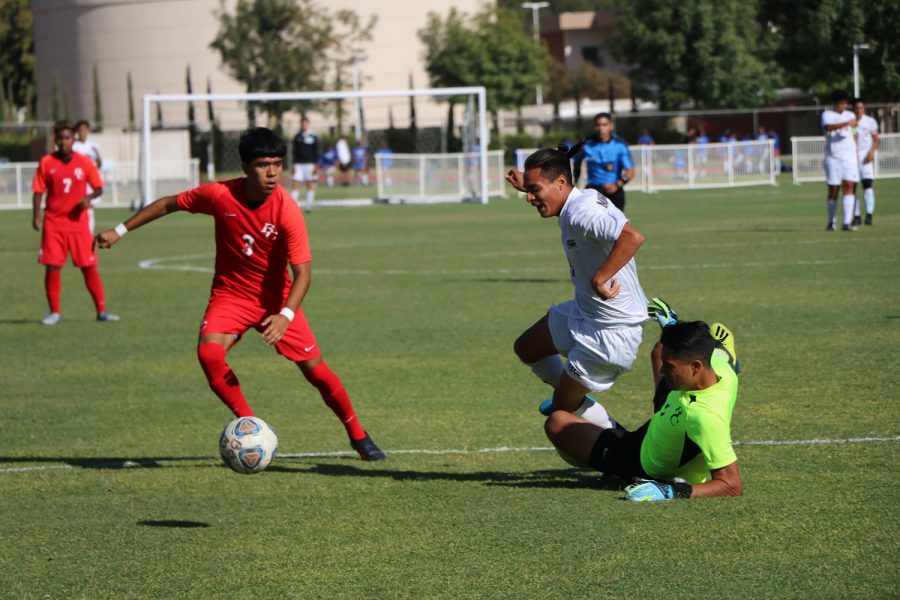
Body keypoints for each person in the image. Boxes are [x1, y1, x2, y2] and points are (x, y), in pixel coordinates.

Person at [95, 127, 385, 461]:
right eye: (263, 164)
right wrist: (119, 230)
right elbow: (168, 204)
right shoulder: (219, 195)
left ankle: (358, 435)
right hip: (230, 297)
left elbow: (303, 273)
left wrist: (285, 315)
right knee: (208, 355)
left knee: (316, 371)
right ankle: (251, 426)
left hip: (276, 302)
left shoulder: (287, 210)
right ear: (246, 166)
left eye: (278, 163)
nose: (273, 172)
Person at [505, 144, 648, 425]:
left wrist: (600, 277)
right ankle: (570, 396)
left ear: (560, 182)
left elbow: (632, 237)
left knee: (560, 414)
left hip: (611, 331)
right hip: (586, 313)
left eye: (535, 190)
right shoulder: (577, 199)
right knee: (527, 347)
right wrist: (531, 185)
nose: (530, 197)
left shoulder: (582, 213)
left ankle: (622, 450)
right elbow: (556, 190)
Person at [544, 302, 742, 502]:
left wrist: (670, 491)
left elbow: (731, 485)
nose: (663, 371)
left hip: (643, 462)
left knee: (557, 422)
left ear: (695, 367)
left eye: (670, 366)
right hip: (669, 411)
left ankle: (594, 416)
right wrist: (672, 326)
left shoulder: (706, 419)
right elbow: (710, 351)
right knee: (659, 350)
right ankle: (589, 413)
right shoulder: (719, 367)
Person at [32, 121, 118, 326]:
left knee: (89, 266)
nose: (63, 142)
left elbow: (98, 187)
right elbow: (38, 191)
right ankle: (54, 312)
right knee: (52, 267)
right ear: (55, 140)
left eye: (67, 138)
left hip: (79, 224)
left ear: (73, 139)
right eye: (60, 138)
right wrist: (36, 214)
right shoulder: (46, 162)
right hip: (53, 223)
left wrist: (89, 198)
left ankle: (102, 310)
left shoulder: (84, 162)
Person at [572, 113, 635, 213]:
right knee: (592, 225)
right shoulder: (587, 145)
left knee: (616, 226)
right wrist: (575, 182)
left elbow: (630, 172)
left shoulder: (620, 145)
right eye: (598, 125)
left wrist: (617, 185)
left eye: (604, 125)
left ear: (611, 126)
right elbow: (576, 162)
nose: (601, 128)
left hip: (615, 191)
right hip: (593, 190)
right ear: (594, 126)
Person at [821, 89, 859, 232]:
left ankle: (846, 223)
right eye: (841, 104)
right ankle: (831, 222)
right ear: (835, 103)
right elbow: (827, 127)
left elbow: (854, 131)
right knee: (833, 189)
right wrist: (846, 123)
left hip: (849, 158)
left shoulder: (850, 115)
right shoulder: (827, 114)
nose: (844, 106)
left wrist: (854, 133)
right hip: (833, 157)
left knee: (849, 186)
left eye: (845, 104)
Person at [851, 98, 879, 226]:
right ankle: (856, 216)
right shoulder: (849, 122)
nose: (858, 110)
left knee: (867, 187)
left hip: (866, 159)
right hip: (851, 159)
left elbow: (876, 140)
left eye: (861, 108)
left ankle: (869, 215)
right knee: (852, 189)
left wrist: (871, 152)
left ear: (864, 109)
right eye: (856, 108)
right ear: (853, 109)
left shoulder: (870, 121)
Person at [72, 119, 103, 233]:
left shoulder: (93, 145)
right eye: (80, 130)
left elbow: (100, 163)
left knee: (89, 205)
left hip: (89, 180)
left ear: (88, 130)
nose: (82, 132)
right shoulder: (74, 145)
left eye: (84, 130)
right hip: (77, 179)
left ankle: (88, 232)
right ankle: (77, 229)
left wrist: (96, 157)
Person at [290, 117, 318, 213]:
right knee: (295, 184)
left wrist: (315, 164)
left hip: (310, 164)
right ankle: (292, 207)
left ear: (308, 124)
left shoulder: (313, 136)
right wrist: (293, 163)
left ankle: (309, 206)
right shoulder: (297, 136)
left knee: (310, 185)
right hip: (298, 164)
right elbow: (294, 152)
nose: (304, 125)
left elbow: (316, 151)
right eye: (303, 124)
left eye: (306, 123)